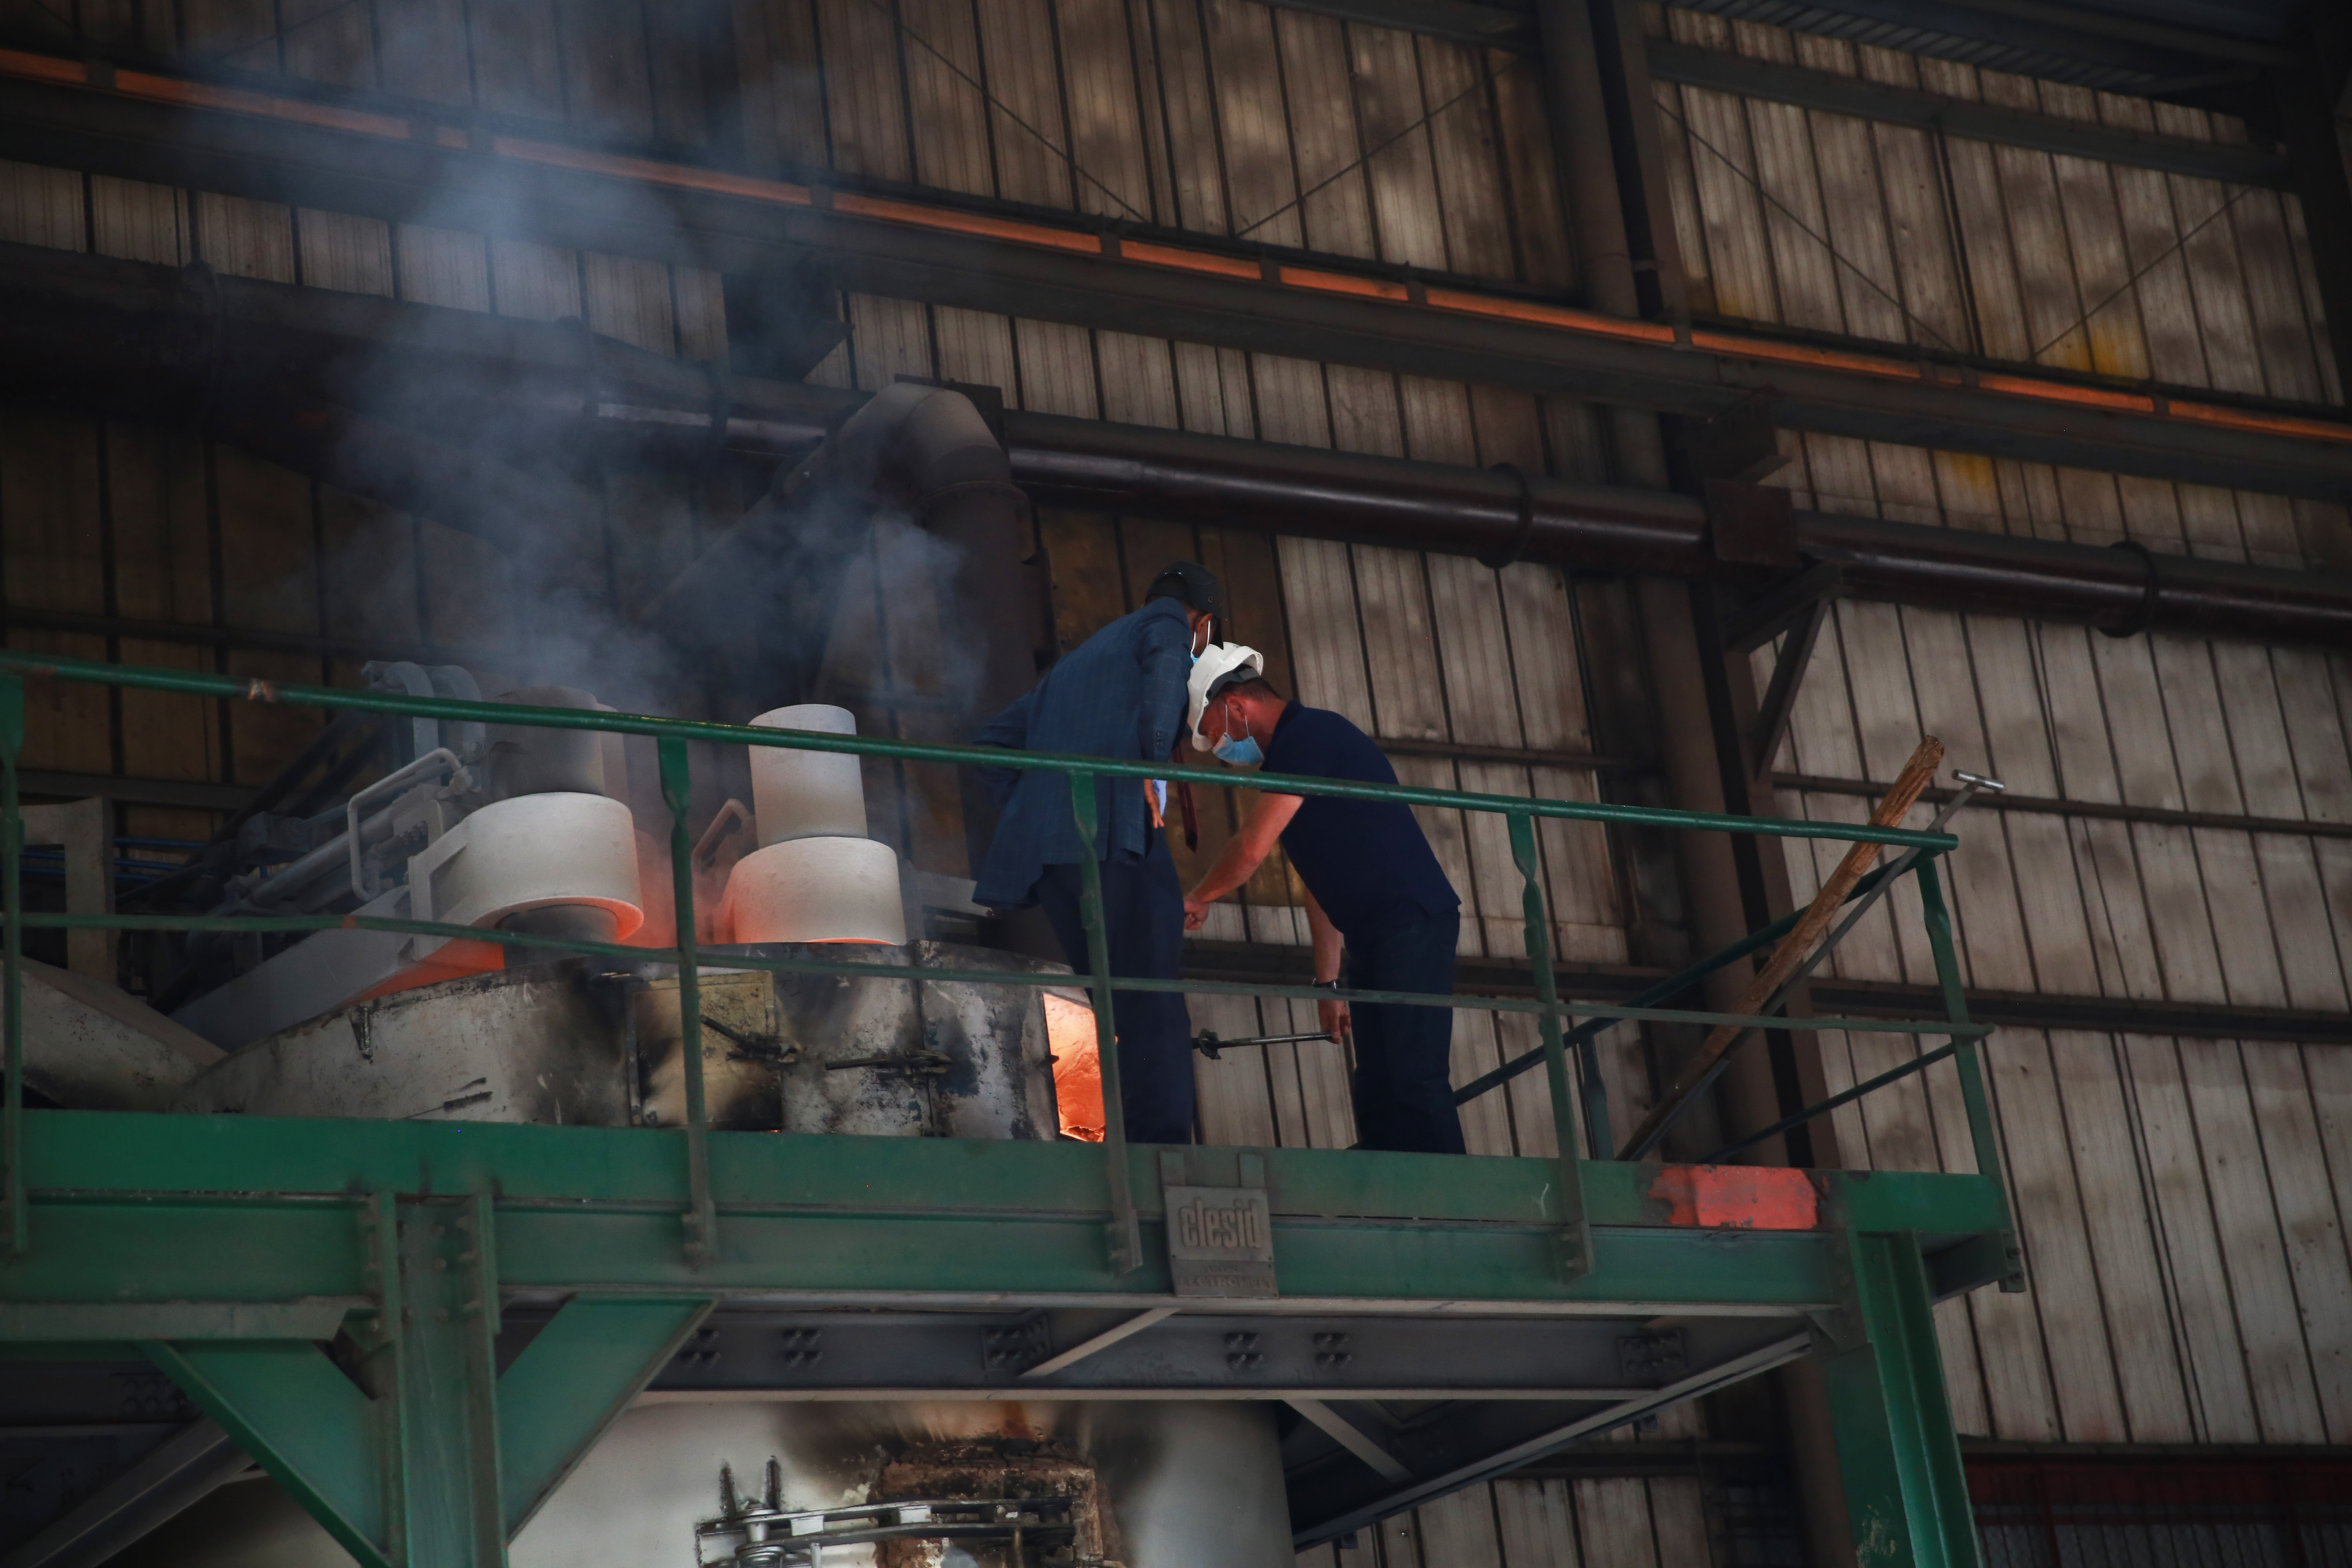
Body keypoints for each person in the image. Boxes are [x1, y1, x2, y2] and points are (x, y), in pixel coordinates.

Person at [971, 563, 1223, 1145]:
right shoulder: (1167, 625)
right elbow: (1166, 682)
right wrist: (1149, 770)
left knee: (1116, 999)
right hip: (1114, 833)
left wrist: (1033, 811)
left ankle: (1136, 1131)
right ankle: (1159, 1143)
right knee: (1151, 993)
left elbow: (990, 747)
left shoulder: (1075, 665)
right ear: (1204, 621)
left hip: (1055, 859)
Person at [1179, 647, 1466, 1155]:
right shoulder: (1288, 762)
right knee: (1378, 1089)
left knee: (1414, 1081)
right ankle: (1395, 1191)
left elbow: (1250, 849)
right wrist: (1329, 982)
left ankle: (1452, 1198)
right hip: (1376, 934)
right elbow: (1320, 880)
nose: (1220, 747)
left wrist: (1199, 897)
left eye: (1214, 730)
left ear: (1237, 706)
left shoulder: (1310, 735)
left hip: (1411, 922)